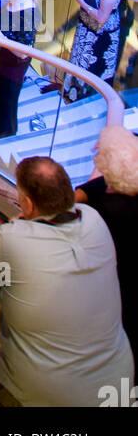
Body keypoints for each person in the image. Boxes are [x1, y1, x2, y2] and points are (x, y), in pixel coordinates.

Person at [0, 156, 134, 407]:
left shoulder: (10, 240)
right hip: (117, 388)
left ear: (29, 205)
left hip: (44, 396)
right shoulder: (94, 220)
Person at [75, 125, 138, 367]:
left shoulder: (106, 212)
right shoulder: (120, 192)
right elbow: (102, 184)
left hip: (115, 299)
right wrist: (83, 192)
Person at [63, 0, 123, 101]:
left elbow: (102, 17)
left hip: (98, 38)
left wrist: (82, 2)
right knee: (78, 66)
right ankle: (72, 97)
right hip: (86, 31)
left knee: (90, 71)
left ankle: (82, 102)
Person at [0, 0, 37, 139]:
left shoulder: (27, 12)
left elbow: (23, 52)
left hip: (14, 61)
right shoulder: (12, 2)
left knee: (8, 95)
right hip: (4, 55)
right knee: (0, 91)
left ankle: (5, 131)